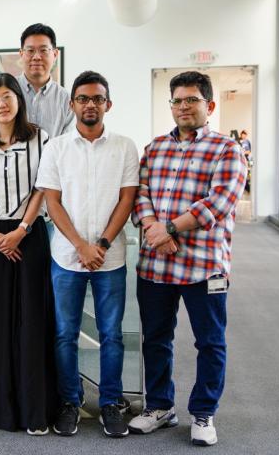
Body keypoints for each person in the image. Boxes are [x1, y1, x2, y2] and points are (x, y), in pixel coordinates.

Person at [129, 71, 246, 446]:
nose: (183, 107)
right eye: (177, 100)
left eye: (191, 100)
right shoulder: (154, 148)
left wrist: (171, 230)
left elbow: (220, 202)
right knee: (156, 339)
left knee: (210, 341)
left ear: (209, 106)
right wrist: (152, 228)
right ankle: (160, 407)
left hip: (204, 266)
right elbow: (139, 193)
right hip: (156, 265)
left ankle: (203, 413)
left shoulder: (227, 150)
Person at [36, 70, 139, 438]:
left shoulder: (125, 146)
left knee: (112, 334)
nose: (90, 104)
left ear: (107, 104)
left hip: (110, 259)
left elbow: (127, 198)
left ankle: (111, 402)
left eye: (97, 99)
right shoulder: (57, 147)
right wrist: (81, 246)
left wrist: (103, 245)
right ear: (72, 104)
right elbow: (52, 201)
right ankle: (70, 401)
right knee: (65, 334)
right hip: (66, 256)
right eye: (83, 98)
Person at [0, 73, 56, 435]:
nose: (1, 104)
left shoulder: (40, 138)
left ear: (19, 99)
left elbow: (43, 187)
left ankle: (36, 409)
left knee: (33, 320)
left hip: (29, 235)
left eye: (7, 96)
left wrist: (21, 229)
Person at [16, 23, 74, 138]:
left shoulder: (66, 99)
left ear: (55, 54)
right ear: (21, 54)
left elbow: (67, 144)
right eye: (30, 50)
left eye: (43, 50)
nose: (37, 57)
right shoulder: (7, 91)